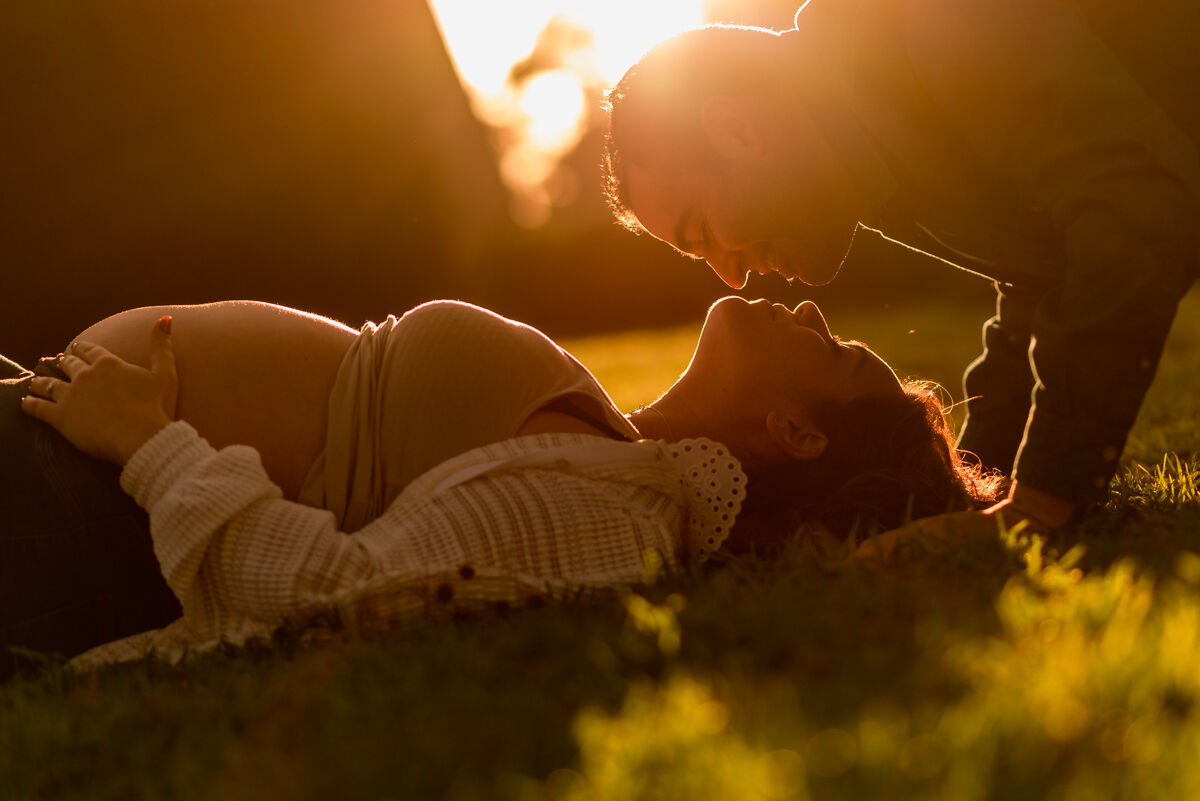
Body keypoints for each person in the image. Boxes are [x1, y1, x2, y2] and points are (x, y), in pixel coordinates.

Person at [1, 297, 994, 676]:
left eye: (833, 352)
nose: (815, 308)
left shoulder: (618, 514)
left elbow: (336, 593)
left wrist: (150, 443)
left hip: (76, 511)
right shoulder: (618, 451)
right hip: (62, 442)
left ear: (794, 431)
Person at [602, 1, 1200, 533]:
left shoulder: (926, 22)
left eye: (702, 232)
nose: (730, 279)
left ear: (736, 131)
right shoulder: (868, 158)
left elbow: (1132, 208)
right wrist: (970, 486)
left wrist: (1045, 498)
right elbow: (1047, 274)